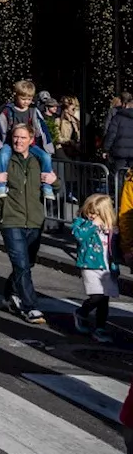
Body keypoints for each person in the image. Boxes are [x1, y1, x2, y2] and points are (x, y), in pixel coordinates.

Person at [0, 123, 56, 323]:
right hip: (10, 219)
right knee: (21, 264)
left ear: (31, 140)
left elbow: (57, 186)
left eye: (23, 138)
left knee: (27, 263)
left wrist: (54, 181)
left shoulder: (38, 160)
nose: (18, 141)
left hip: (34, 220)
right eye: (16, 137)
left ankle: (9, 295)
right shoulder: (2, 159)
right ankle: (31, 307)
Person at [72, 193, 119, 343]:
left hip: (107, 266)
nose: (91, 215)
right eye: (89, 211)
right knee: (97, 296)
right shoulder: (82, 223)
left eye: (95, 213)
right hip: (90, 264)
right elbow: (79, 236)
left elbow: (114, 248)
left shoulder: (111, 228)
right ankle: (82, 312)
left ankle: (100, 327)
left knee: (104, 299)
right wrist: (93, 225)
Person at [104, 93, 133, 173]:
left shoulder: (117, 117)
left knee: (119, 177)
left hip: (119, 153)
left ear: (123, 104)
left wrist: (106, 149)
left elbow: (111, 134)